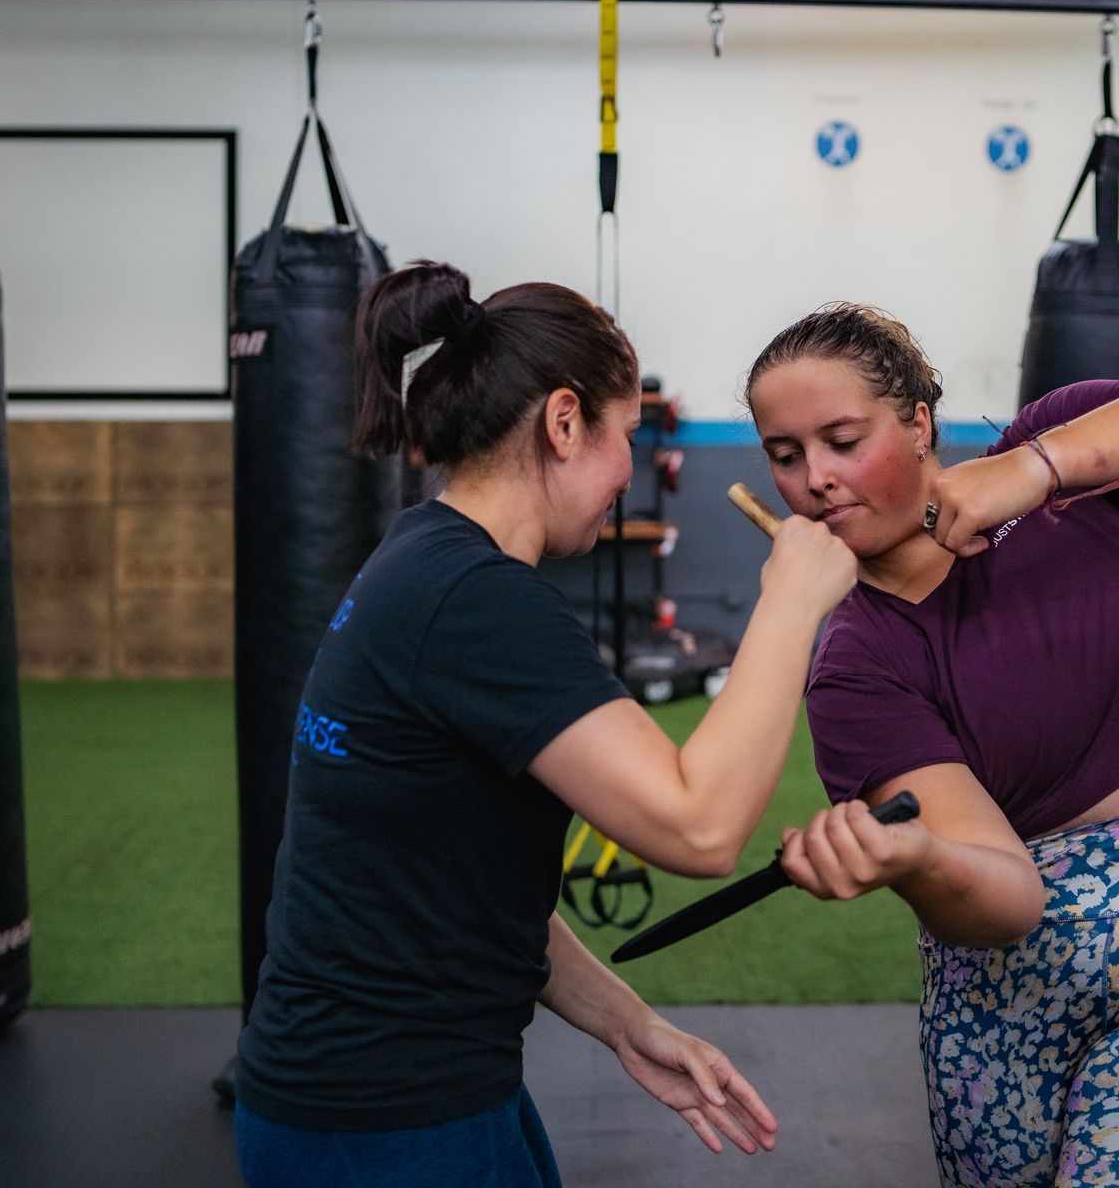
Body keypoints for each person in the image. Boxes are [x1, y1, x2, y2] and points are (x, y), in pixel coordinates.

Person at [233, 261, 858, 1188]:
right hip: (380, 1119)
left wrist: (627, 1023)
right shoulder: (476, 601)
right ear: (564, 422)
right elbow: (700, 825)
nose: (626, 476)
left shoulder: (423, 559)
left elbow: (462, 894)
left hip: (384, 1093)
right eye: (625, 439)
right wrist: (791, 604)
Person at [744, 303, 1119, 1188]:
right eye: (786, 456)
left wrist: (1039, 467)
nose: (817, 479)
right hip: (1009, 998)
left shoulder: (1052, 450)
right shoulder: (853, 667)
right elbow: (1006, 899)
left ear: (918, 424)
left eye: (841, 439)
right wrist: (915, 857)